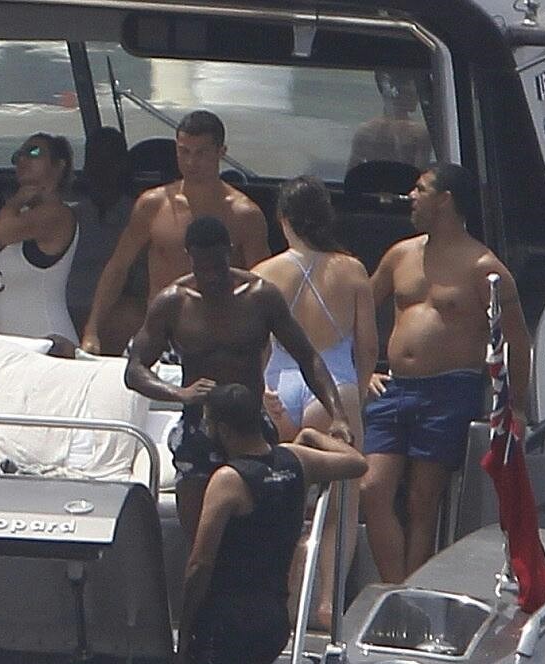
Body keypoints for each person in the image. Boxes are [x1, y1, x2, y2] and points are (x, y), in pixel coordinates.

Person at [124, 216, 353, 541]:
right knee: (200, 535)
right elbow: (134, 370)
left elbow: (308, 357)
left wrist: (338, 415)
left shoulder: (259, 297)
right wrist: (179, 393)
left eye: (218, 266)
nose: (212, 276)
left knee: (259, 533)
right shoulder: (173, 303)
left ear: (229, 252)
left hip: (250, 423)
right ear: (190, 257)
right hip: (201, 422)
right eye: (203, 268)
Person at [360, 162, 531, 582]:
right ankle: (393, 586)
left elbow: (517, 339)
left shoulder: (484, 266)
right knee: (372, 488)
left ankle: (411, 590)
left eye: (420, 189)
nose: (411, 197)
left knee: (423, 502)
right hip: (395, 387)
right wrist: (362, 371)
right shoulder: (400, 255)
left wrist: (517, 406)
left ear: (445, 200)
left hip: (449, 390)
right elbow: (358, 310)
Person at [252, 175, 378, 630]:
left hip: (278, 384)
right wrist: (355, 393)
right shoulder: (352, 271)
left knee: (279, 497)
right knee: (342, 502)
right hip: (335, 386)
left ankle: (282, 598)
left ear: (282, 219)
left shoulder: (264, 273)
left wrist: (261, 393)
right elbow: (368, 346)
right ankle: (326, 600)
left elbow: (255, 346)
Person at [175, 383, 368, 664]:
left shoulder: (228, 480)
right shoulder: (296, 459)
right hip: (273, 620)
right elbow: (357, 462)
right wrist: (311, 434)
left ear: (223, 430)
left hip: (227, 623)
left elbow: (200, 564)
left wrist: (184, 631)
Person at [81, 110, 270, 354]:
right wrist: (92, 329)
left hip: (218, 341)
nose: (191, 162)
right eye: (184, 152)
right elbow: (118, 267)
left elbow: (261, 285)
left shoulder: (245, 215)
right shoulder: (152, 205)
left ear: (221, 152)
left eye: (201, 153)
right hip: (159, 336)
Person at [0, 133, 79, 341]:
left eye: (34, 152)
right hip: (13, 345)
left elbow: (3, 231)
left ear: (58, 166)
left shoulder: (57, 214)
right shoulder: (22, 215)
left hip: (49, 342)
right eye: (17, 156)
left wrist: (16, 200)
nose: (22, 160)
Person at [66, 127, 144, 353]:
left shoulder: (140, 216)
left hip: (114, 313)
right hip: (60, 306)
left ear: (123, 164)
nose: (100, 167)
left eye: (109, 159)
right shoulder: (68, 214)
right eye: (94, 159)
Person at [347, 70, 433, 173]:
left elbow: (352, 172)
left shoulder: (365, 130)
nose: (417, 98)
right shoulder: (419, 133)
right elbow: (420, 174)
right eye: (413, 93)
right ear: (399, 93)